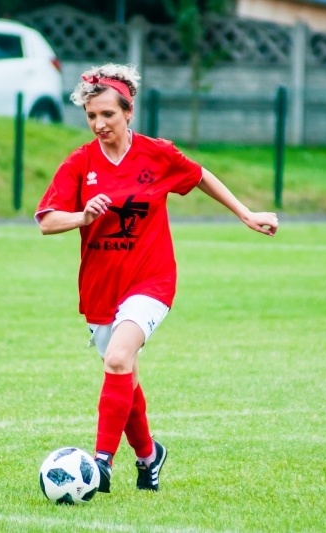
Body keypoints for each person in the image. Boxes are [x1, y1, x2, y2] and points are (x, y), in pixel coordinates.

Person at [35, 63, 278, 493]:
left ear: (128, 112)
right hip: (100, 288)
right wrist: (82, 215)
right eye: (92, 116)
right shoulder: (79, 163)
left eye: (107, 114)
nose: (99, 124)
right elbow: (47, 221)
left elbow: (200, 175)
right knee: (123, 372)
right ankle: (149, 457)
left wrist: (246, 213)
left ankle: (101, 463)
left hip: (152, 281)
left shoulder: (157, 153)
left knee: (117, 359)